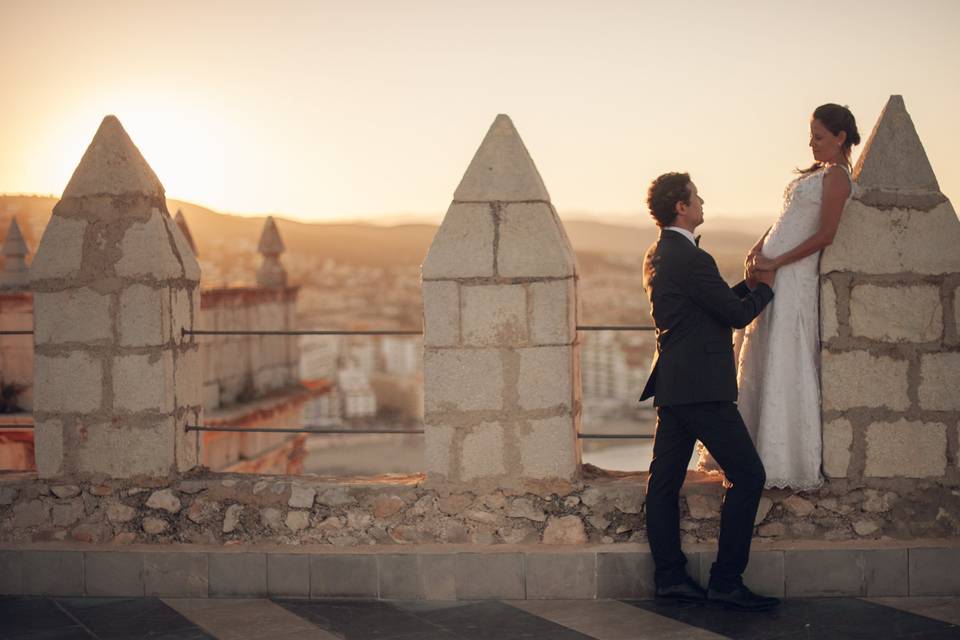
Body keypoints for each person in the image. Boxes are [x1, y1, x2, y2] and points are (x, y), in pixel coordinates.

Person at [640, 172, 780, 611]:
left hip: (673, 385)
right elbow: (735, 315)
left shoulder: (658, 253)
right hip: (703, 388)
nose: (703, 203)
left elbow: (709, 306)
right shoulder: (692, 258)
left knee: (663, 484)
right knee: (749, 476)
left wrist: (746, 288)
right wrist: (768, 290)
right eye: (697, 197)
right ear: (681, 206)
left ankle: (670, 577)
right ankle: (725, 580)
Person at [734, 104, 861, 490]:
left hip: (794, 278)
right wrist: (757, 251)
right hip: (774, 271)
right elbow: (783, 219)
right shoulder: (817, 175)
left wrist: (779, 263)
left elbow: (825, 236)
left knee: (785, 356)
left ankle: (783, 462)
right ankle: (752, 453)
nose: (811, 144)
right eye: (811, 136)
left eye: (819, 137)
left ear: (840, 138)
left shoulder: (838, 177)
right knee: (763, 352)